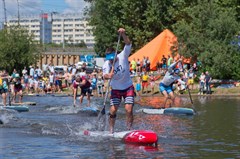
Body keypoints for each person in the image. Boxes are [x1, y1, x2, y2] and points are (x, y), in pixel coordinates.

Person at [102, 28, 134, 133]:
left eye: (112, 58)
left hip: (128, 86)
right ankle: (111, 130)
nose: (111, 61)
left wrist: (123, 34)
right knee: (113, 110)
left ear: (116, 55)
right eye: (109, 59)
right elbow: (104, 76)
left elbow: (128, 44)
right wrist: (108, 75)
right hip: (116, 89)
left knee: (128, 109)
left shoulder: (123, 56)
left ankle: (129, 130)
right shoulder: (107, 64)